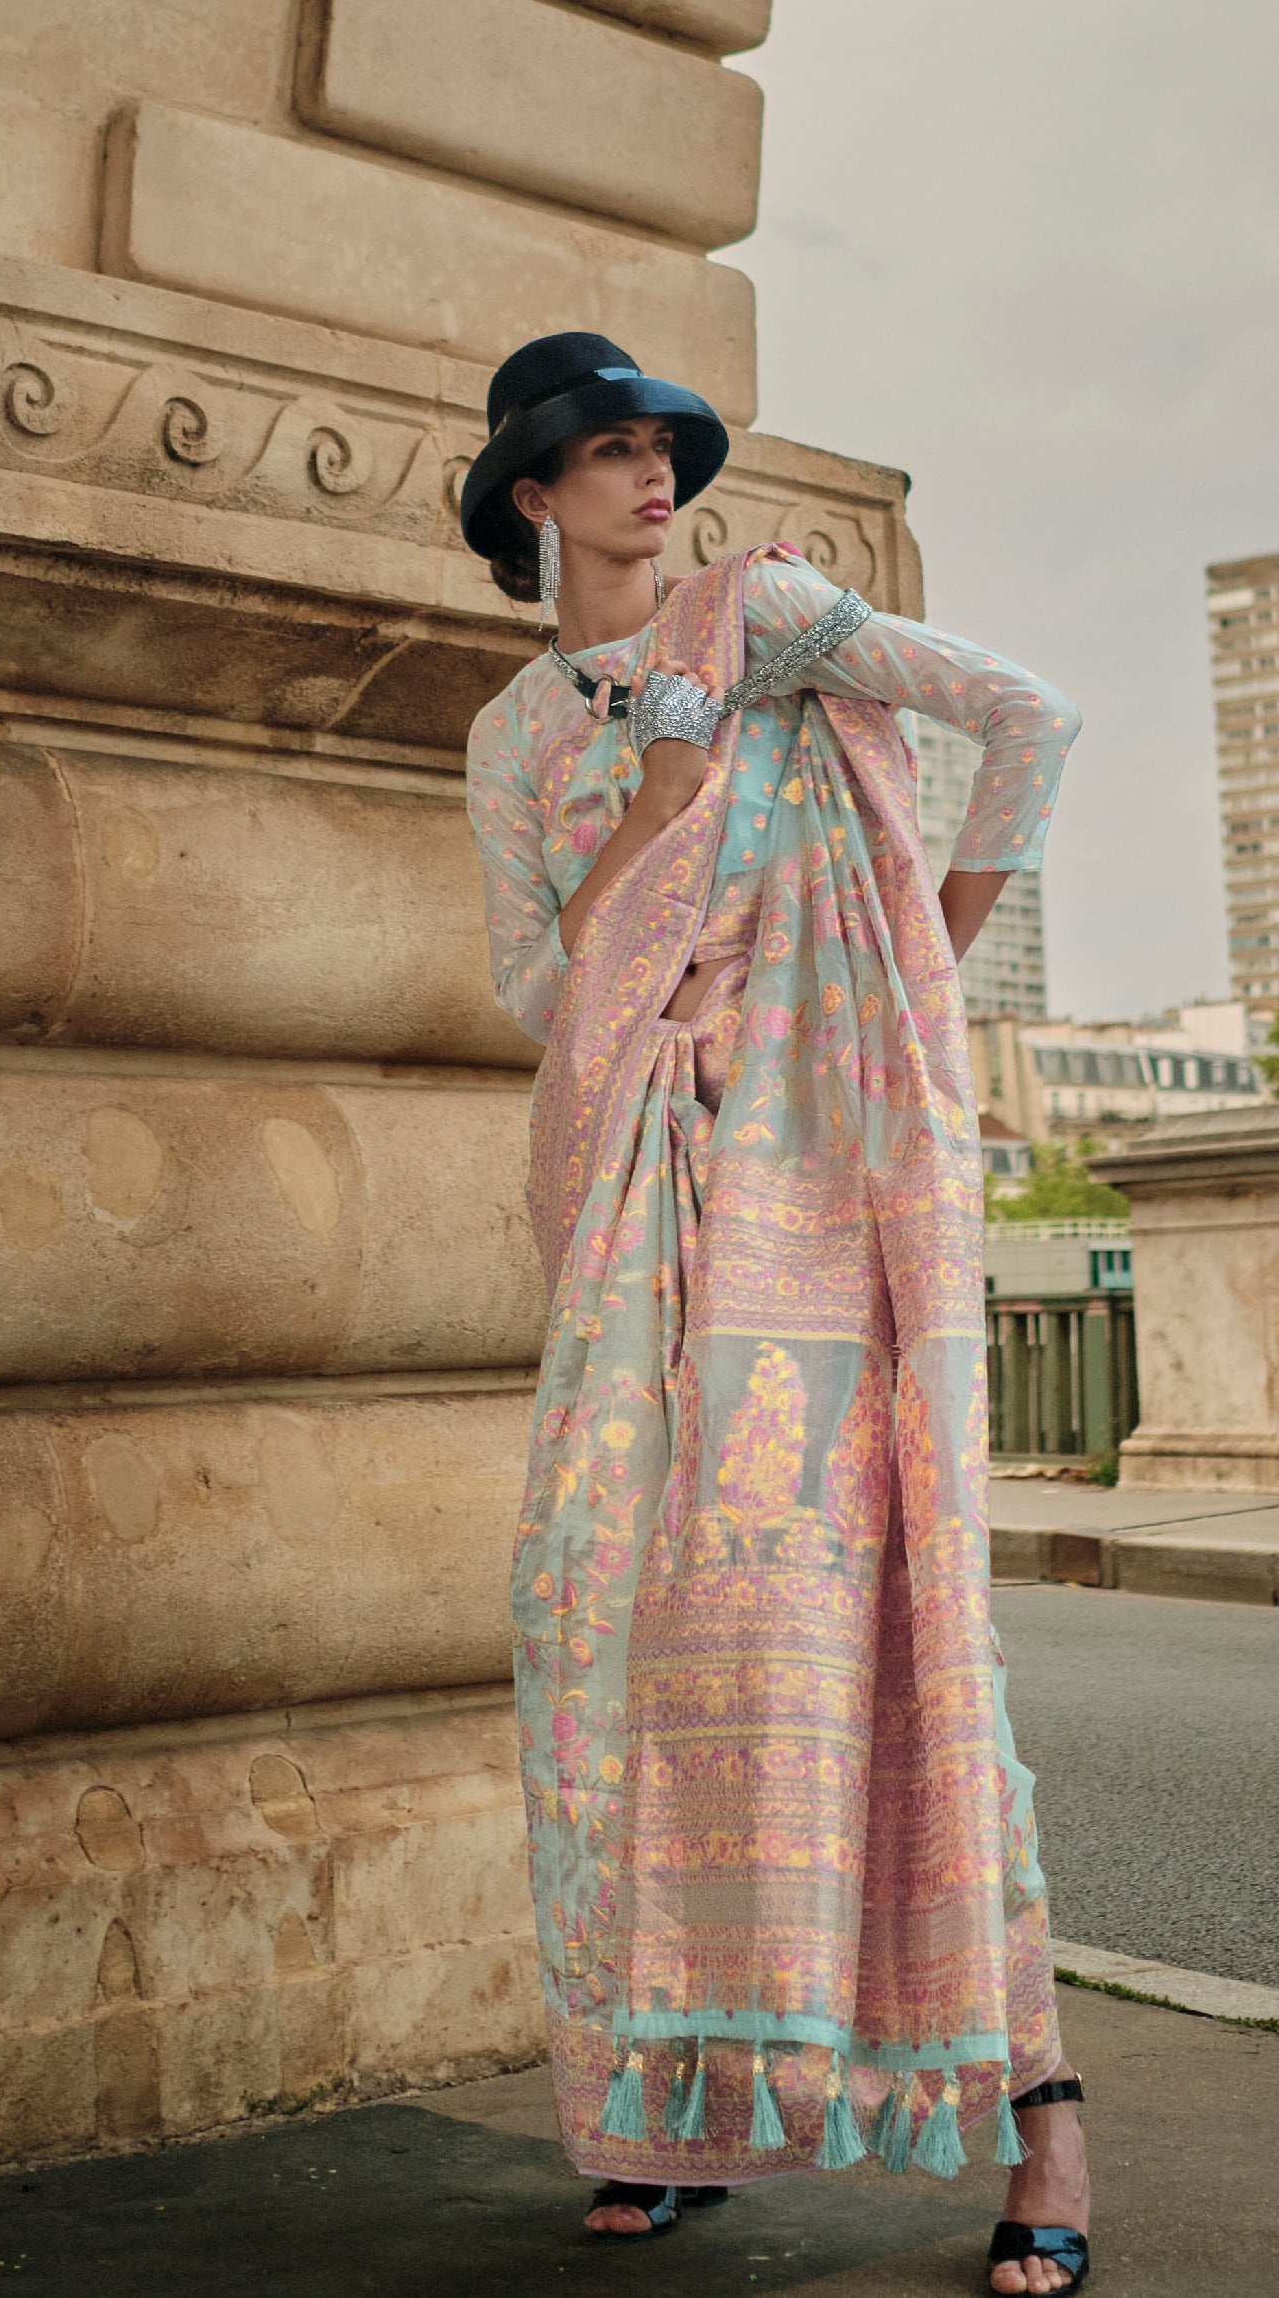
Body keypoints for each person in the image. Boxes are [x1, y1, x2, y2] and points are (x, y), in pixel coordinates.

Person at [461, 334, 1092, 2297]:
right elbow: (545, 982)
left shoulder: (777, 617)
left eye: (662, 447)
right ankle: (663, 2110)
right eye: (605, 452)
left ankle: (1039, 2121)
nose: (652, 480)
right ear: (526, 498)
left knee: (879, 1628)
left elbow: (1027, 714)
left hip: (815, 1196)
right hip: (633, 1193)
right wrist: (658, 775)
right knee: (608, 1630)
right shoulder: (512, 734)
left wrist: (908, 972)